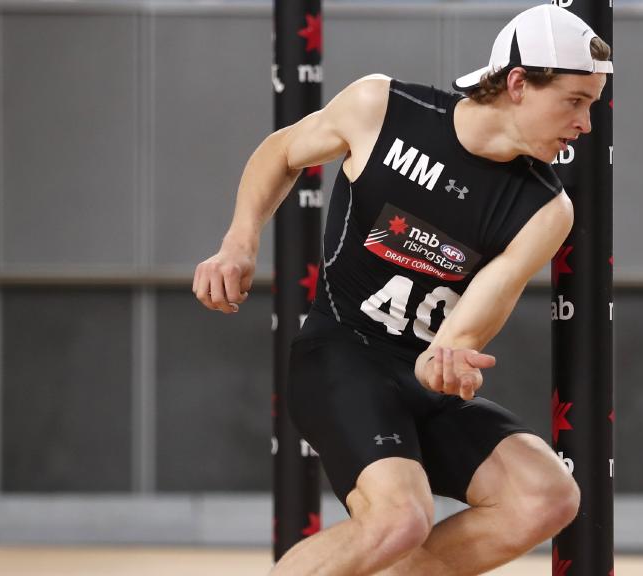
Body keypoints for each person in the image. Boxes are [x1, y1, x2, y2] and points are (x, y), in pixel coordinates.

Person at [193, 4, 611, 575]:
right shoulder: (382, 106)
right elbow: (282, 151)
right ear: (518, 84)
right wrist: (239, 241)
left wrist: (452, 350)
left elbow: (483, 306)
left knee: (549, 496)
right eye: (575, 101)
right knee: (399, 519)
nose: (586, 124)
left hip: (421, 379)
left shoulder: (545, 207)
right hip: (339, 355)